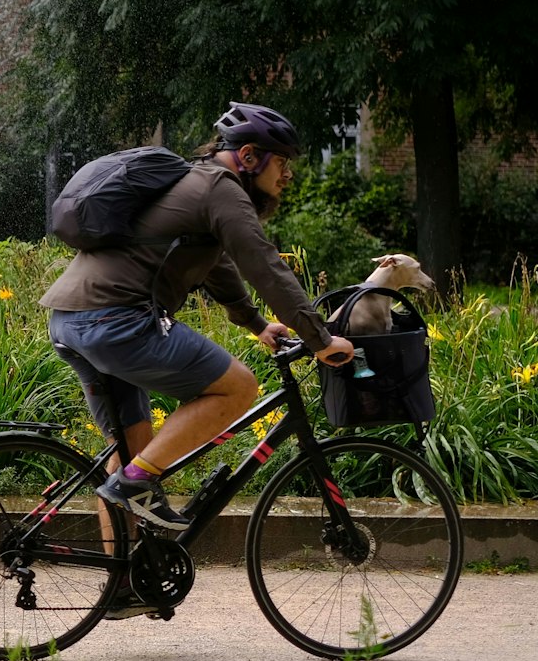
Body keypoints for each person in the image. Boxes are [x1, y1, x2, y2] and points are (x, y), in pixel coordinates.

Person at [38, 103, 355, 610]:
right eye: (282, 161)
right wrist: (320, 338)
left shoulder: (196, 184)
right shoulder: (220, 189)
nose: (289, 172)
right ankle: (136, 485)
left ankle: (122, 584)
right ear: (249, 157)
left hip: (71, 321)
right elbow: (263, 265)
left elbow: (216, 265)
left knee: (134, 452)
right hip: (116, 321)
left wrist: (255, 324)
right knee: (238, 388)